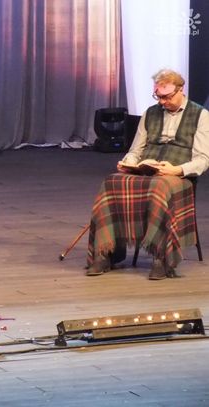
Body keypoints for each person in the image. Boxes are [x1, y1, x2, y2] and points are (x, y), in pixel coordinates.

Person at [86, 69, 209, 280]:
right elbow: (136, 150)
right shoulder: (150, 113)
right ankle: (107, 252)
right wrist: (128, 163)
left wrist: (177, 170)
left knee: (160, 186)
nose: (162, 102)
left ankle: (161, 256)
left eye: (166, 97)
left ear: (181, 90)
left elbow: (203, 159)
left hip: (178, 175)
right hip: (148, 170)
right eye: (158, 97)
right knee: (111, 182)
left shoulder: (201, 116)